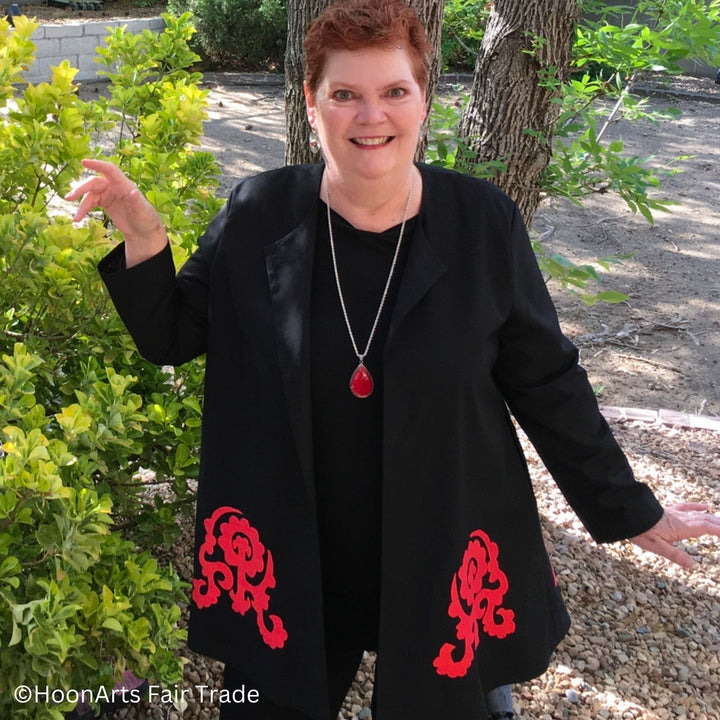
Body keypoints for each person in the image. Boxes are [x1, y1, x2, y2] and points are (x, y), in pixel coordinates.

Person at [65, 1, 720, 718]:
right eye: (344, 94)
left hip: (442, 537)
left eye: (393, 92)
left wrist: (629, 509)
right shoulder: (260, 212)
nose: (369, 117)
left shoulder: (481, 224)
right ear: (311, 104)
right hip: (293, 545)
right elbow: (173, 337)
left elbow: (547, 382)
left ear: (423, 101)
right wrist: (144, 235)